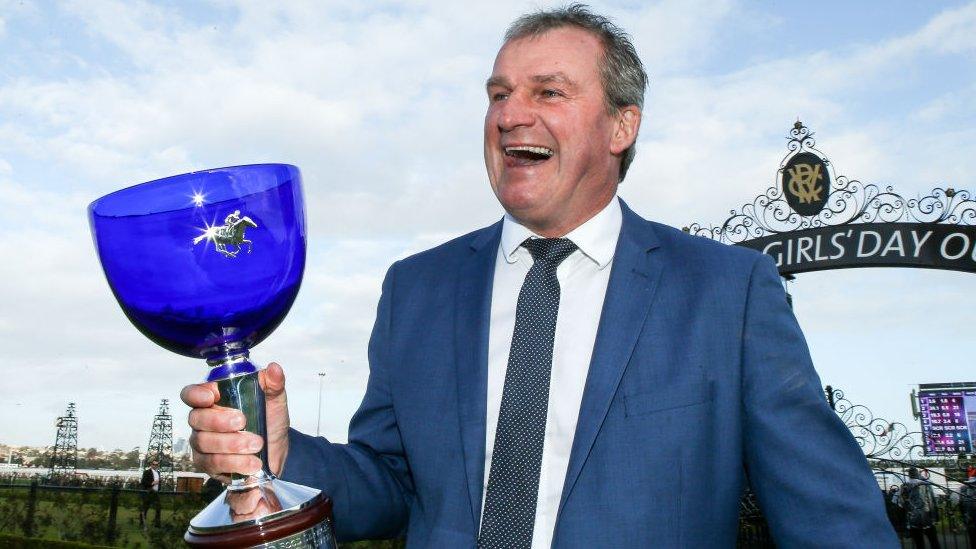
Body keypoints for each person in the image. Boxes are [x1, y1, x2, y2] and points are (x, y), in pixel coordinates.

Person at [182, 5, 898, 547]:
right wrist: (280, 450)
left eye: (548, 93)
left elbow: (834, 522)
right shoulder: (416, 291)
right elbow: (390, 486)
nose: (508, 115)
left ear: (622, 127)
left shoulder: (728, 293)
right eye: (498, 94)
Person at [897, 467, 941, 548]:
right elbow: (932, 500)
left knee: (919, 543)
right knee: (934, 541)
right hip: (927, 516)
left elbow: (901, 503)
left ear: (909, 475)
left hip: (913, 517)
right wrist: (935, 516)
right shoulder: (925, 484)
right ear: (917, 474)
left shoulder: (904, 486)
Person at [140, 459, 162, 528]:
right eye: (154, 464)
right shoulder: (147, 472)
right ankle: (142, 523)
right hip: (149, 492)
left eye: (156, 465)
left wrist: (159, 486)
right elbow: (143, 482)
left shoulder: (158, 472)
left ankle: (157, 524)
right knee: (145, 508)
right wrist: (152, 483)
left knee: (158, 507)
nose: (155, 466)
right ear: (151, 465)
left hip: (155, 492)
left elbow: (158, 482)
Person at [961, 468, 976, 549]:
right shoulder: (965, 491)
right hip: (970, 521)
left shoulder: (965, 491)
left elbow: (962, 507)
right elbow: (962, 507)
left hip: (970, 520)